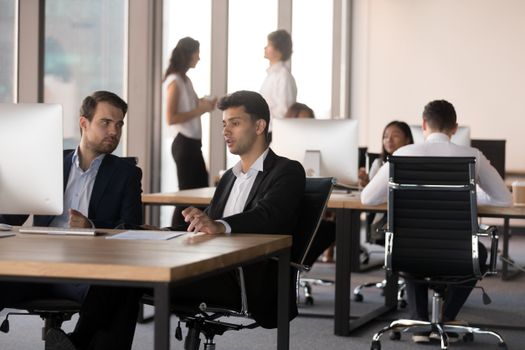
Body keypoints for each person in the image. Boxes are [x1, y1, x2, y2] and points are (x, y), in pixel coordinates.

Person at [45, 90, 306, 350]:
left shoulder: (287, 171)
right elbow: (206, 226)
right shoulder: (229, 177)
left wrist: (219, 225)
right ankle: (81, 343)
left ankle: (78, 341)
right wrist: (161, 231)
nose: (226, 131)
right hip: (210, 267)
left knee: (128, 277)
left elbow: (270, 216)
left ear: (260, 126)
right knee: (127, 272)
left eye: (235, 123)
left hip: (244, 281)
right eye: (223, 124)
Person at [361, 100, 512, 344]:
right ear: (455, 127)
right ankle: (448, 318)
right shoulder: (472, 156)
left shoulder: (403, 155)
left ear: (423, 125)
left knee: (409, 242)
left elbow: (367, 198)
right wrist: (471, 194)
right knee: (480, 252)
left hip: (408, 252)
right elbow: (504, 199)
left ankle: (419, 323)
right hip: (459, 254)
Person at [0, 90, 143, 313]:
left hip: (86, 269)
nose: (114, 131)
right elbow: (11, 214)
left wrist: (91, 226)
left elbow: (131, 228)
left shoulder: (127, 174)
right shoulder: (50, 163)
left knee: (120, 288)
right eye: (105, 122)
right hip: (38, 267)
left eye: (119, 124)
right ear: (83, 123)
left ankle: (75, 344)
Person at [164, 37, 216, 226]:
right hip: (184, 143)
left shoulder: (185, 80)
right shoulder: (175, 81)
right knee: (188, 194)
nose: (199, 58)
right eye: (197, 53)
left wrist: (204, 103)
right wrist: (201, 109)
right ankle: (176, 230)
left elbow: (189, 108)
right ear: (189, 54)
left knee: (198, 191)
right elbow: (171, 117)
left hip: (193, 143)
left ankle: (191, 229)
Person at [260, 29, 297, 135]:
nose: (265, 48)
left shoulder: (283, 76)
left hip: (275, 134)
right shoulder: (271, 76)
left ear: (278, 50)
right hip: (268, 131)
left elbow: (284, 112)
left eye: (269, 45)